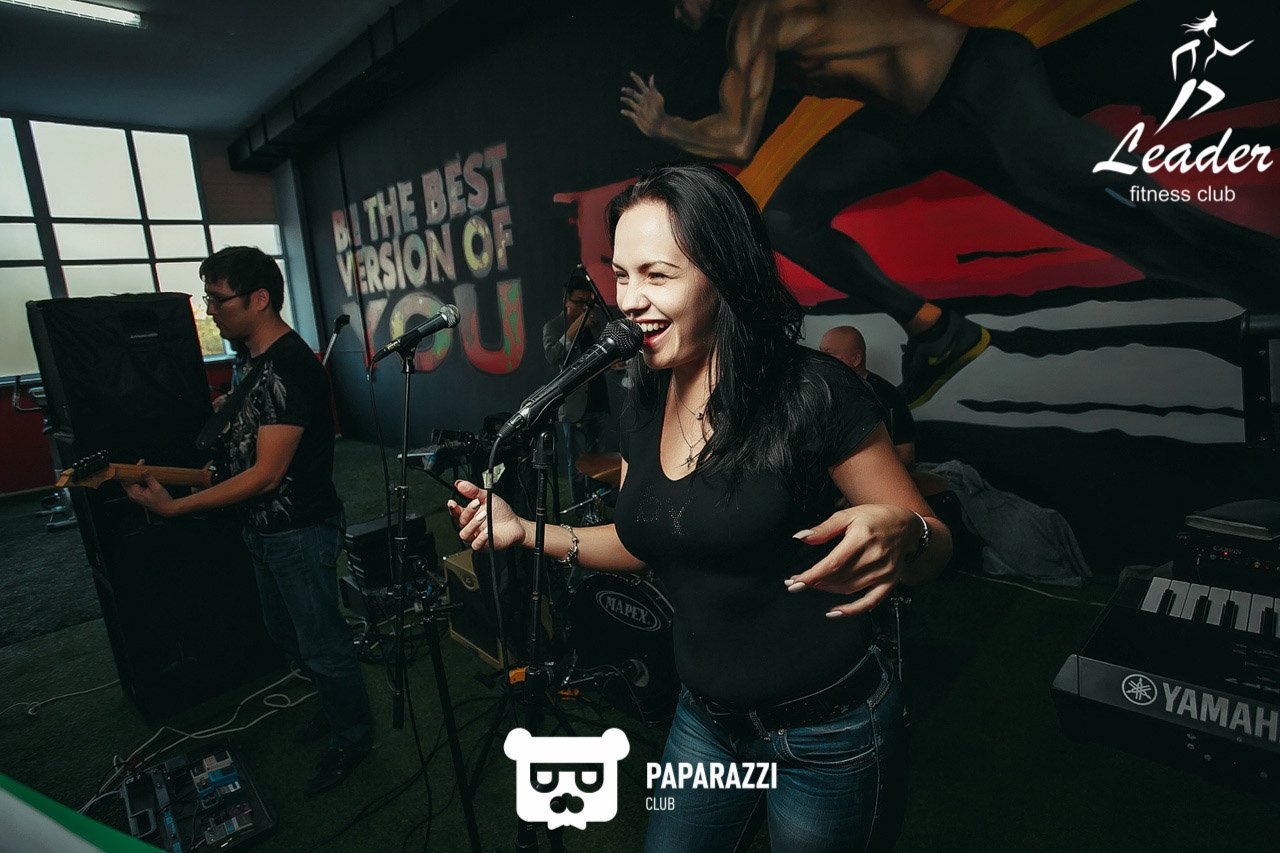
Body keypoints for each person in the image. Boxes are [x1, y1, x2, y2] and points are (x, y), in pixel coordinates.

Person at [449, 164, 950, 851]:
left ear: (724, 274)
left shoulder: (815, 391)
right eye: (620, 276)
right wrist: (523, 529)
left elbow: (934, 543)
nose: (629, 300)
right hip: (705, 723)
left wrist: (908, 532)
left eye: (656, 275)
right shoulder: (644, 397)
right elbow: (642, 540)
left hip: (826, 730)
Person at [621, 0, 1280, 407]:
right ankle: (939, 330)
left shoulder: (758, 18)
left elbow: (735, 137)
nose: (674, 11)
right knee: (789, 215)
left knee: (1130, 214)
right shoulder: (750, 33)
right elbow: (733, 129)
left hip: (981, 80)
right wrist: (673, 127)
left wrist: (664, 127)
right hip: (921, 123)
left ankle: (1264, 274)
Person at [124, 246, 373, 796]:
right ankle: (337, 709)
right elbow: (237, 460)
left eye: (219, 299)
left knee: (323, 644)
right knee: (284, 632)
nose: (211, 310)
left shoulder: (290, 367)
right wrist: (181, 479)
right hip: (263, 530)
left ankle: (353, 737)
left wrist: (174, 508)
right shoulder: (251, 361)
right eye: (208, 298)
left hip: (300, 531)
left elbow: (266, 475)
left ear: (259, 299)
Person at [541, 270, 612, 505]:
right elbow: (554, 356)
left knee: (600, 461)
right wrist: (578, 324)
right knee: (578, 463)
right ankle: (581, 511)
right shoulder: (554, 326)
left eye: (588, 303)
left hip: (598, 401)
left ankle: (598, 506)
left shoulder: (594, 324)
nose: (584, 307)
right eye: (579, 302)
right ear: (566, 299)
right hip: (574, 406)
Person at [820, 325, 915, 468]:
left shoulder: (888, 395)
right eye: (820, 354)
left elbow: (906, 456)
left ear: (856, 359)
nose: (820, 361)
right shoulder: (818, 392)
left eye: (829, 355)